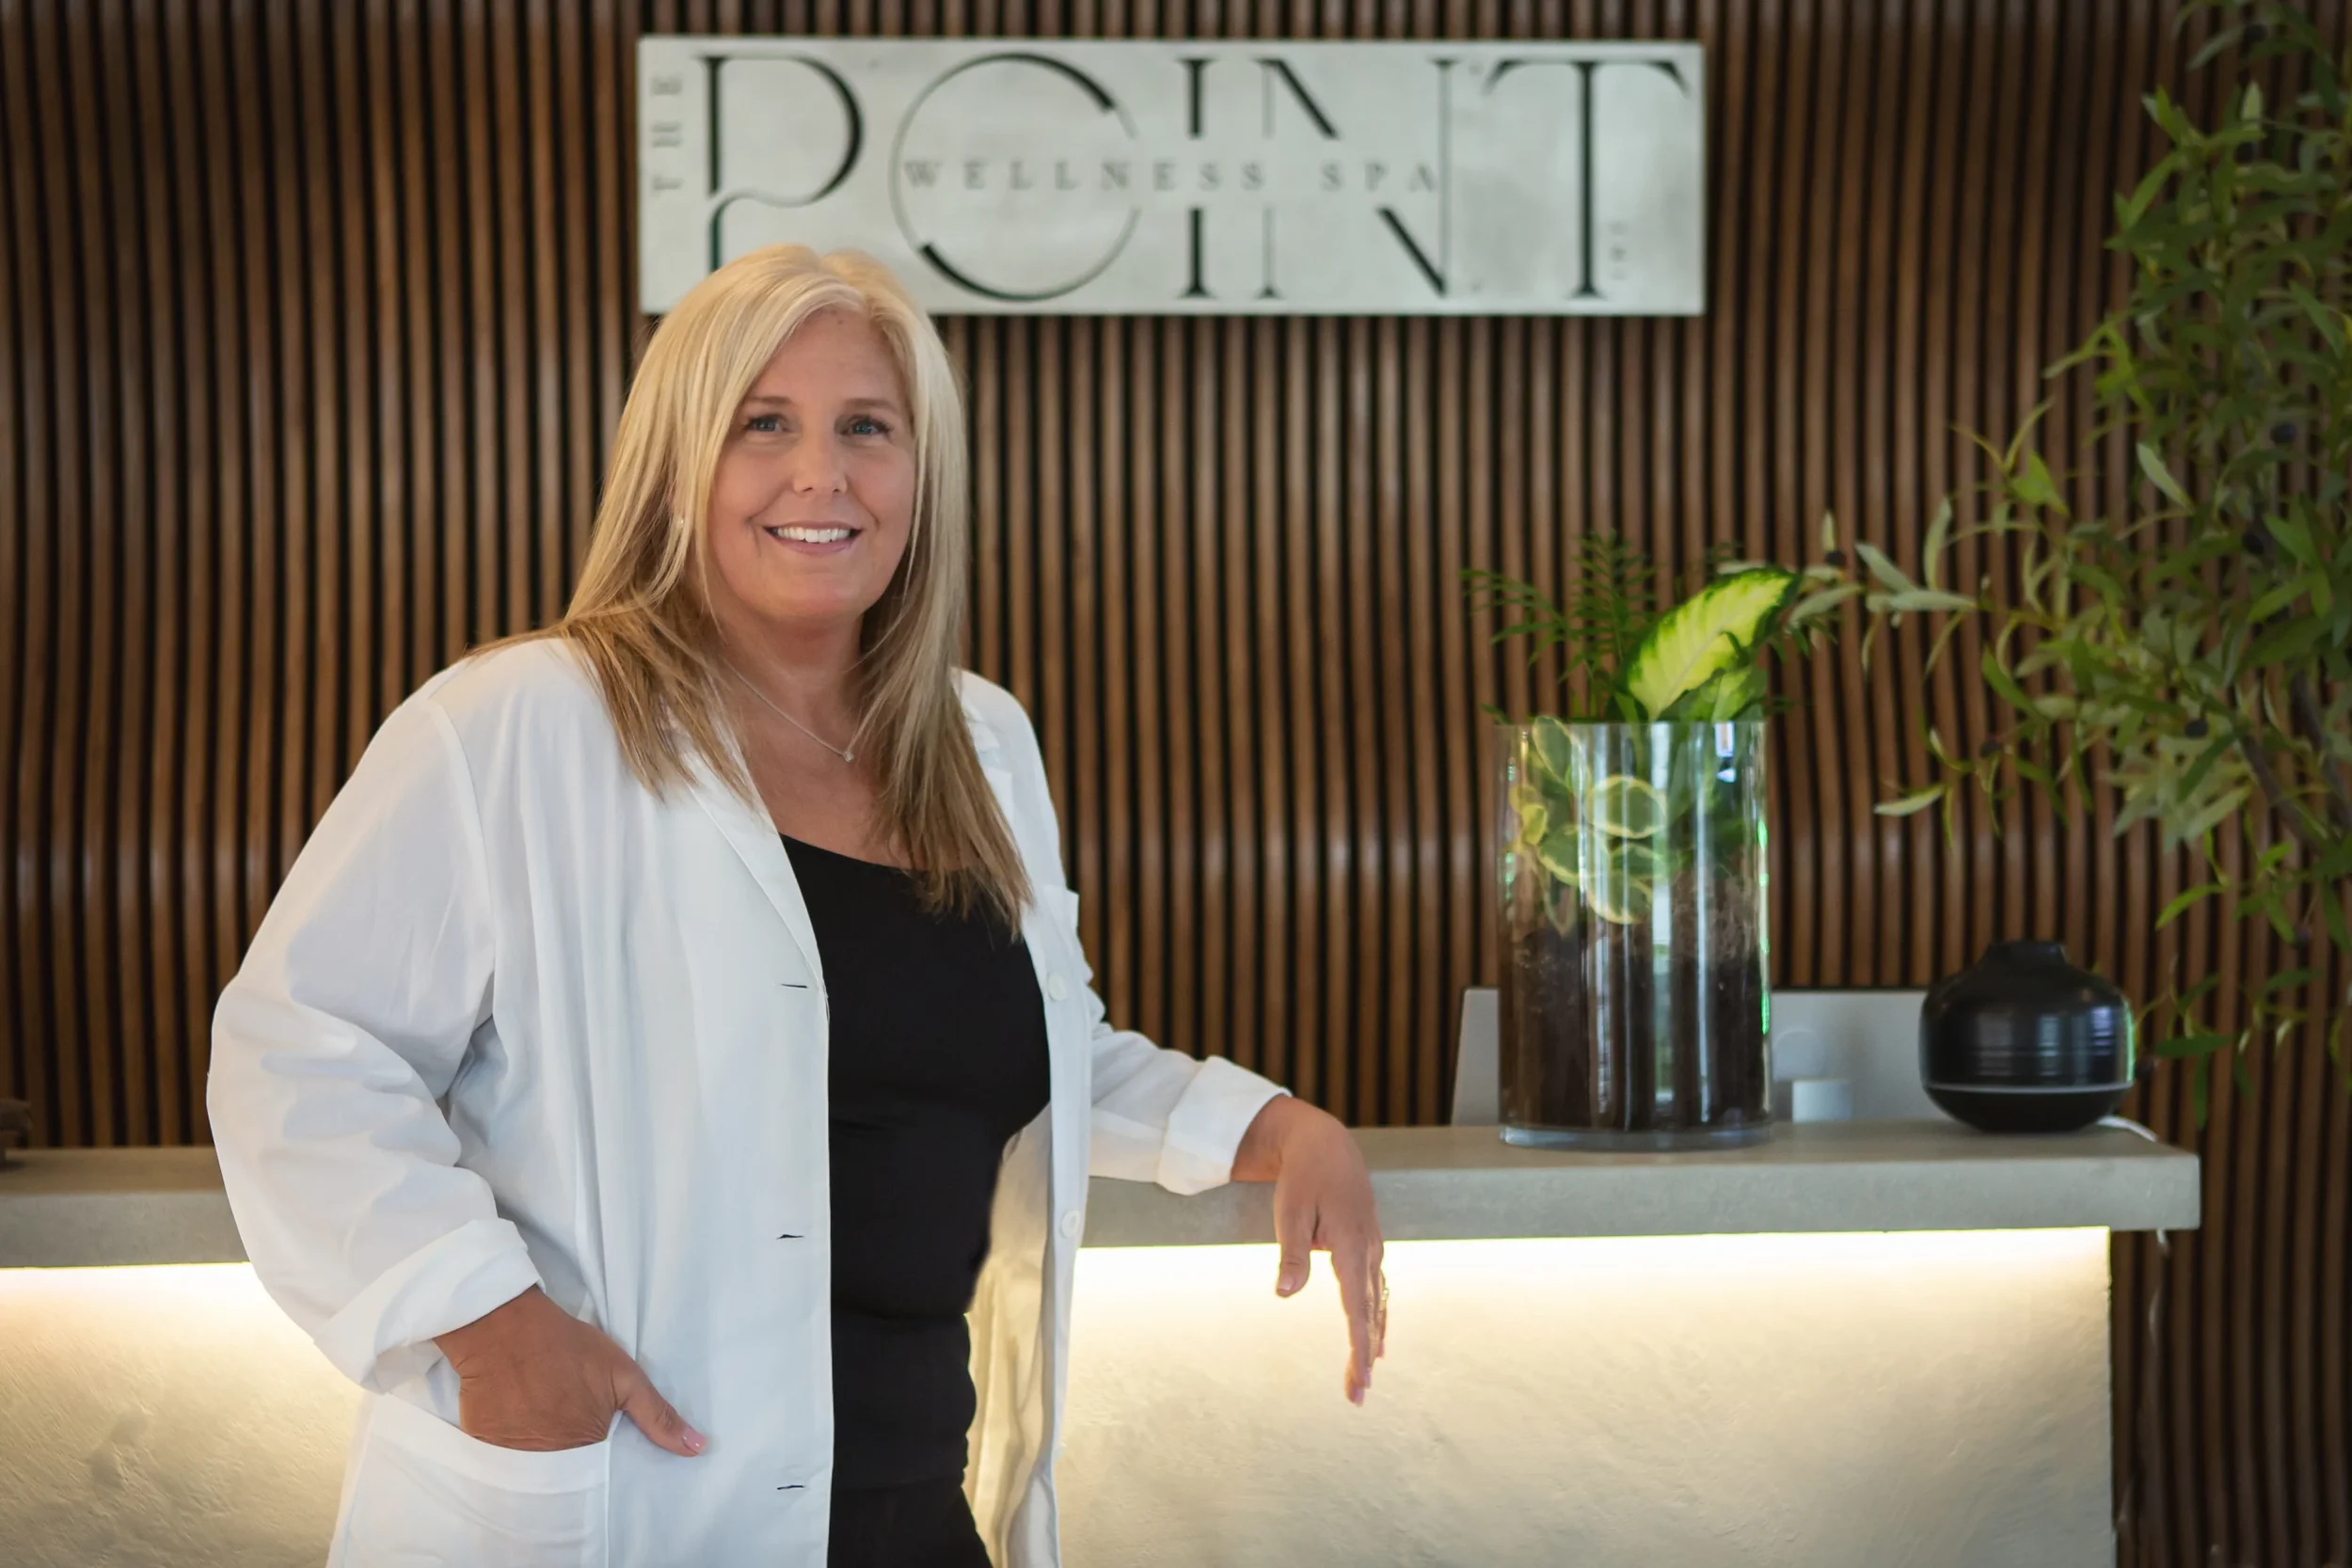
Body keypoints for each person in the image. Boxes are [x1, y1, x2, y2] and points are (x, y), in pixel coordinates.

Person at [206, 243, 1386, 1568]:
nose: (821, 475)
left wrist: (1268, 1123)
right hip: (622, 1504)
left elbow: (1022, 1050)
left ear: (920, 473)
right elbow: (296, 1050)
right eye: (764, 424)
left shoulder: (979, 740)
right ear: (678, 462)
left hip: (914, 1515)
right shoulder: (517, 726)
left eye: (866, 428)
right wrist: (495, 1330)